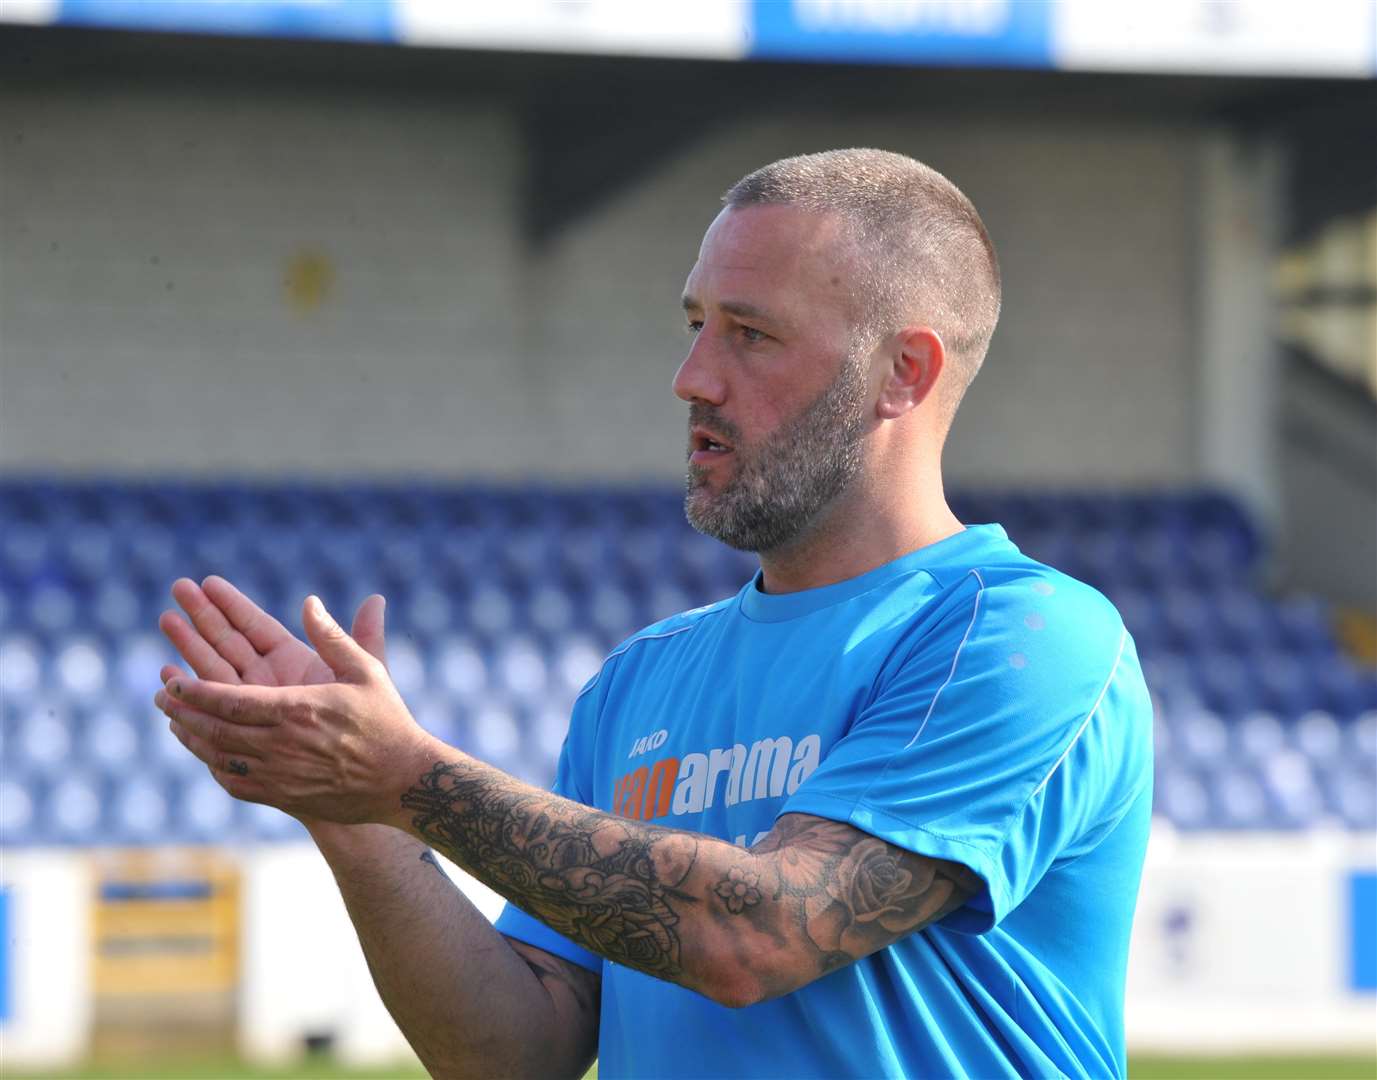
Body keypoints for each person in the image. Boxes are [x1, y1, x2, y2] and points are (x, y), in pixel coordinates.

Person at [156, 148, 1154, 1079]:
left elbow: (762, 935)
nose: (693, 379)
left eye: (751, 334)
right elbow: (519, 1047)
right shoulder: (642, 679)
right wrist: (360, 818)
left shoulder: (1021, 638)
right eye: (696, 325)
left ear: (907, 372)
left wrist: (407, 775)